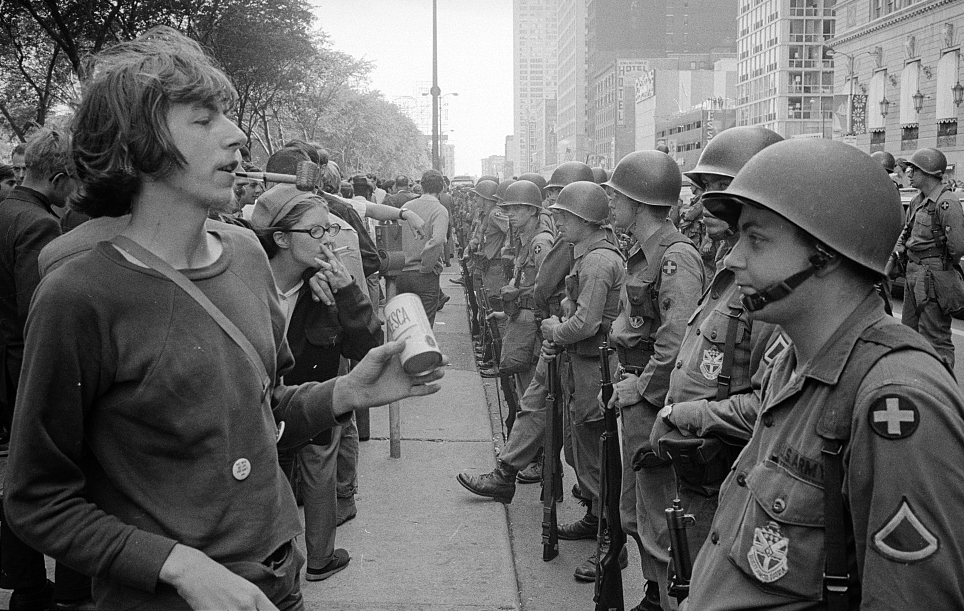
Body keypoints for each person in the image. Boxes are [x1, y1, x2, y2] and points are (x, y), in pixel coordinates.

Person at [4, 27, 443, 611]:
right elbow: (37, 498)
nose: (236, 135)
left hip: (278, 583)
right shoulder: (79, 294)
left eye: (226, 116)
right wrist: (176, 566)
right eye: (202, 119)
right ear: (136, 146)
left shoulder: (245, 255)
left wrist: (346, 392)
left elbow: (261, 409)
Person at [686, 138, 964, 609]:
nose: (733, 259)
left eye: (756, 239)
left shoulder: (894, 397)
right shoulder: (793, 359)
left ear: (827, 254)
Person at [647, 127, 789, 609]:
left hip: (728, 465)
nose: (706, 202)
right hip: (701, 466)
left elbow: (771, 406)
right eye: (705, 189)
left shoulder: (772, 286)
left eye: (720, 189)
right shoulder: (729, 268)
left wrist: (684, 416)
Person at [251, 186, 381, 583]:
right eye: (317, 232)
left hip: (314, 407)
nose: (328, 240)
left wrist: (347, 293)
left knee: (319, 472)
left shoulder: (325, 287)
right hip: (257, 413)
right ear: (281, 239)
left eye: (329, 229)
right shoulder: (243, 282)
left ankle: (320, 558)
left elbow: (369, 346)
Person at [604, 150, 705, 604]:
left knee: (659, 507)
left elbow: (676, 339)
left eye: (617, 196)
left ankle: (666, 597)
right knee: (638, 506)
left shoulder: (674, 257)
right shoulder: (643, 252)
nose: (610, 204)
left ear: (639, 202)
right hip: (635, 386)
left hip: (652, 395)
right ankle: (652, 590)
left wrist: (641, 388)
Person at [0, 128, 91, 610]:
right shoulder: (38, 225)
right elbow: (31, 316)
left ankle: (25, 582)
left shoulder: (5, 209)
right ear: (58, 179)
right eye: (73, 183)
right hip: (17, 370)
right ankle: (31, 590)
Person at [542, 181, 626, 580]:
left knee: (594, 458)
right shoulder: (587, 255)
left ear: (585, 220)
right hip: (583, 365)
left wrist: (554, 330)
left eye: (563, 216)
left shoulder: (595, 262)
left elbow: (585, 323)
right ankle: (596, 520)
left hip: (595, 367)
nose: (556, 221)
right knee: (580, 453)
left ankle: (613, 543)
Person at [891, 147, 964, 367]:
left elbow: (958, 247)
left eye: (915, 169)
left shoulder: (946, 202)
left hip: (933, 275)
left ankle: (942, 393)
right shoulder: (916, 201)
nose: (910, 173)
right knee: (909, 334)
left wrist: (937, 265)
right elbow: (907, 232)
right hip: (914, 272)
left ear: (930, 172)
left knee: (935, 338)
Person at [398, 169, 449, 326]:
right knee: (424, 327)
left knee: (406, 326)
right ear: (442, 188)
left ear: (422, 186)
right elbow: (437, 241)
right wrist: (427, 266)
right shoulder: (439, 210)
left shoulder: (407, 207)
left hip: (402, 273)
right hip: (424, 275)